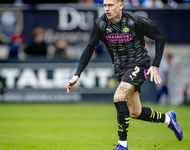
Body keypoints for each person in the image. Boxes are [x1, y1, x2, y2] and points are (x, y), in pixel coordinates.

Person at [66, 0, 183, 149]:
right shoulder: (101, 24)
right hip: (121, 68)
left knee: (118, 97)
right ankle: (168, 118)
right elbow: (89, 48)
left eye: (110, 5)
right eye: (105, 5)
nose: (107, 9)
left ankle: (122, 144)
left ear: (120, 5)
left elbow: (159, 37)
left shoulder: (135, 21)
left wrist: (155, 65)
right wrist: (77, 74)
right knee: (135, 112)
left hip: (138, 64)